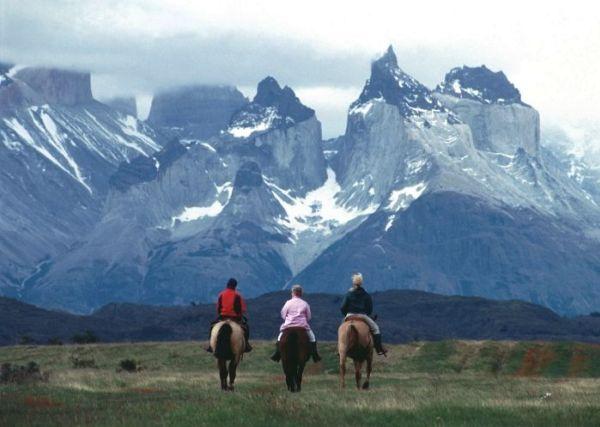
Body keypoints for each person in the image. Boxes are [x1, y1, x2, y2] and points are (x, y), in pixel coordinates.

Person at [270, 284, 321, 363]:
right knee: (313, 338)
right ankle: (315, 355)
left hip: (288, 326)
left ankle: (277, 354)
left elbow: (283, 314)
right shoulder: (305, 304)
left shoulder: (288, 303)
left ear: (292, 293)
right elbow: (309, 317)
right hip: (302, 326)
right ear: (301, 293)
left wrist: (289, 319)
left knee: (279, 338)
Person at [340, 273, 387, 355]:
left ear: (353, 283)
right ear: (361, 283)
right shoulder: (366, 295)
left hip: (350, 315)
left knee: (341, 329)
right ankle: (379, 349)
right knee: (376, 328)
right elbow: (369, 309)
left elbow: (343, 307)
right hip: (362, 316)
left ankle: (341, 349)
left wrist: (346, 315)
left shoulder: (348, 294)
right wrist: (366, 313)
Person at [206, 278, 252, 353]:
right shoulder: (238, 295)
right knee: (246, 328)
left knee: (212, 327)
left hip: (223, 316)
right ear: (235, 286)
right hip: (235, 318)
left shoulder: (221, 294)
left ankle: (210, 346)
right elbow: (242, 309)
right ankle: (246, 345)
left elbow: (218, 308)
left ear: (227, 285)